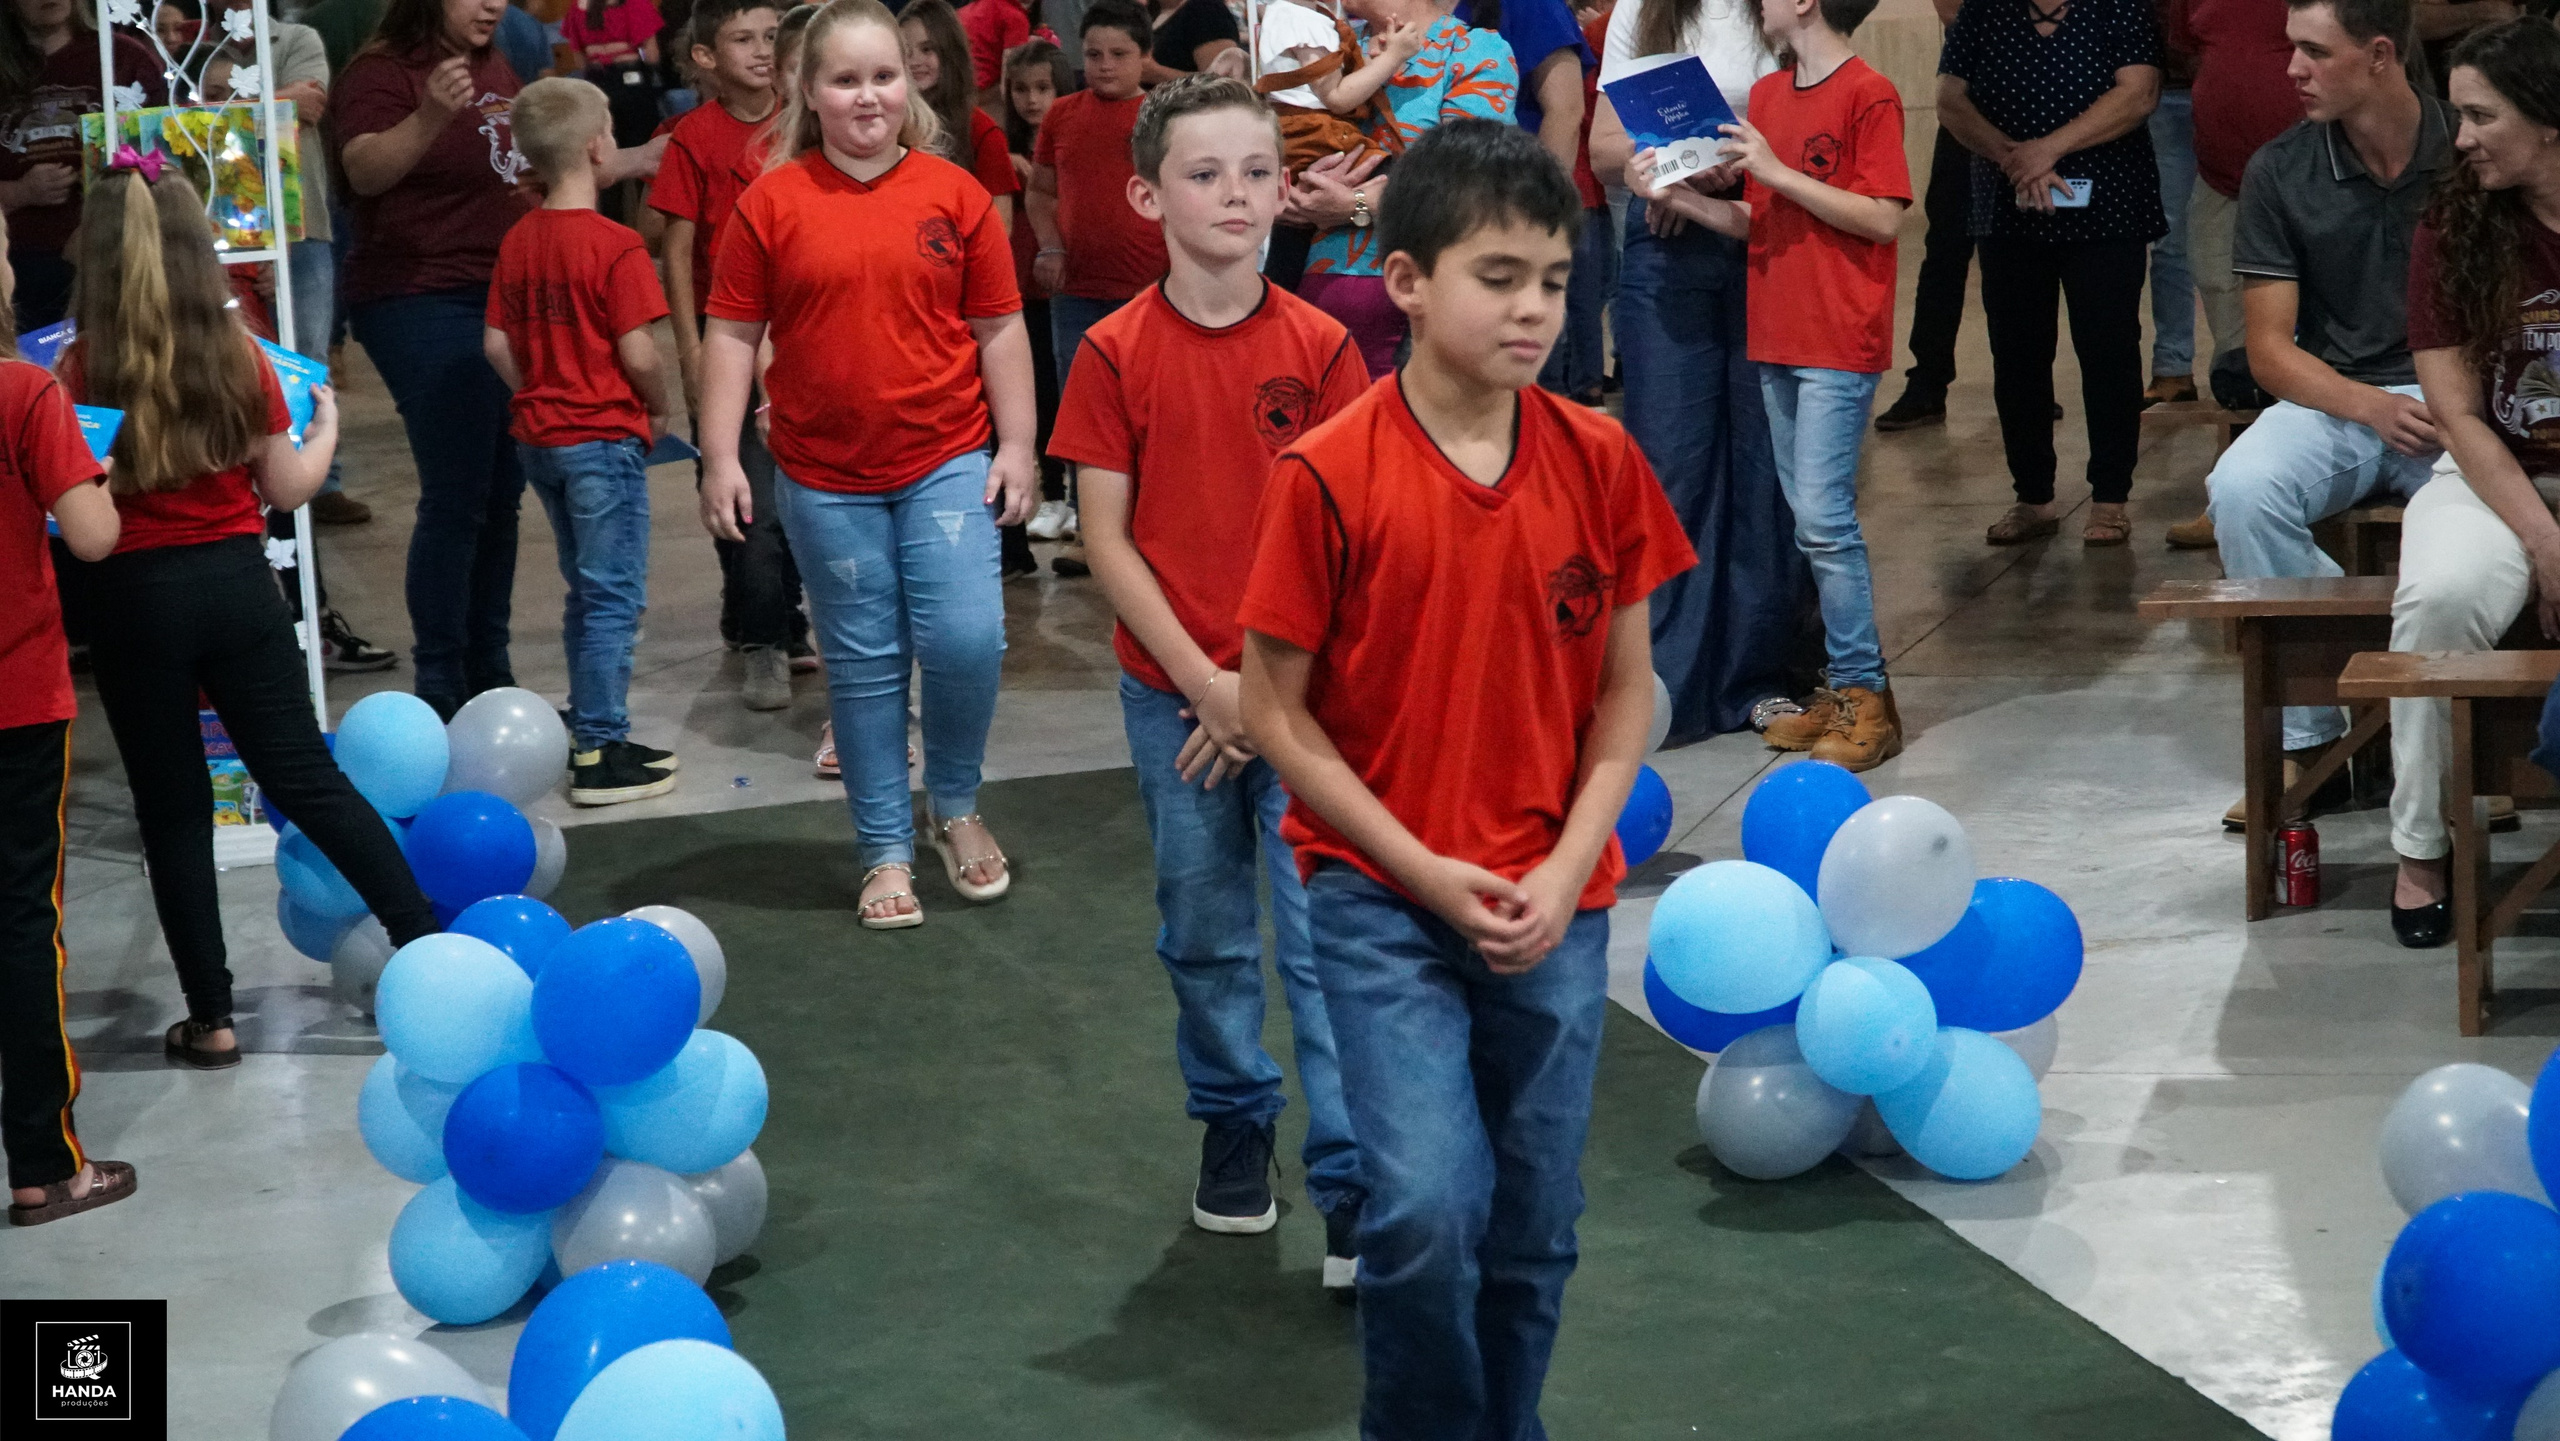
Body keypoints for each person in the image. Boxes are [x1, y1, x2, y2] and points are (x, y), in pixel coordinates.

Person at [1240, 118, 1691, 1437]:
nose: (1535, 307)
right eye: (1499, 276)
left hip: (1555, 897)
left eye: (1553, 277)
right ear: (1406, 283)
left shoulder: (1600, 462)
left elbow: (1628, 693)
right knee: (1427, 1211)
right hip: (1383, 902)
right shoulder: (1328, 475)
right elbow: (1275, 708)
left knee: (1534, 1221)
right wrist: (1425, 868)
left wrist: (1562, 873)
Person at [1052, 72, 1371, 1297]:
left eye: (1254, 172)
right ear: (1147, 194)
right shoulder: (1113, 352)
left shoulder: (1326, 347)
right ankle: (1235, 1117)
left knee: (1323, 943)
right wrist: (1203, 681)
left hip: (1301, 699)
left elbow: (1351, 539)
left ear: (1284, 190)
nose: (1233, 195)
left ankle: (1347, 1178)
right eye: (1202, 173)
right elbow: (1107, 538)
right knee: (1201, 929)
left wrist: (1260, 689)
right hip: (1170, 698)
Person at [65, 167, 439, 1070]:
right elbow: (287, 487)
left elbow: (80, 504)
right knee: (307, 777)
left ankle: (212, 1013)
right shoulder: (244, 356)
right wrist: (327, 434)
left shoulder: (79, 368)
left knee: (173, 807)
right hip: (238, 585)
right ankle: (426, 948)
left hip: (132, 597)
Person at [699, 0, 1037, 928]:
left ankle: (956, 805)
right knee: (865, 666)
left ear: (910, 82)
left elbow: (1000, 327)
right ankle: (884, 847)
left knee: (968, 638)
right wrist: (720, 454)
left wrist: (1017, 445)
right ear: (808, 90)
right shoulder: (770, 202)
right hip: (821, 477)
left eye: (883, 75)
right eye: (845, 79)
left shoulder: (955, 194)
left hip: (947, 459)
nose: (867, 96)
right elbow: (731, 334)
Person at [338, 0, 657, 719]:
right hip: (420, 295)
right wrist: (424, 116)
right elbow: (360, 172)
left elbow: (538, 169)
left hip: (508, 285)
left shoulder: (497, 63)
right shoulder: (382, 72)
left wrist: (631, 159)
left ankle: (490, 663)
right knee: (457, 491)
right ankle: (442, 679)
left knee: (502, 492)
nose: (492, 5)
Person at [2200, 0, 2451, 834]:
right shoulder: (2283, 168)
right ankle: (2319, 739)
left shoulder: (2467, 149)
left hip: (2457, 392)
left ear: (2379, 56)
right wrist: (2370, 406)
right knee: (2239, 488)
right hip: (2341, 396)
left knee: (2488, 518)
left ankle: (2458, 732)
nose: (2292, 69)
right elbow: (2270, 351)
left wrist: (2452, 401)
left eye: (2314, 51)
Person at [1644, 0, 1910, 770]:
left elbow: (1882, 218)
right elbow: (1763, 222)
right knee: (1807, 522)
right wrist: (1685, 199)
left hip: (1836, 334)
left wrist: (1776, 173)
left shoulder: (1870, 93)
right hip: (1778, 330)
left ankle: (1865, 694)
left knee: (1826, 522)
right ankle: (1844, 687)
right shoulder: (1765, 99)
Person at [2386, 18, 2560, 949]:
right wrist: (2543, 538)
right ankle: (2422, 845)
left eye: (2482, 116)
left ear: (2550, 123)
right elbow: (2456, 411)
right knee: (2441, 597)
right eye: (2457, 115)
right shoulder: (2453, 227)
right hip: (2490, 470)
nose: (2459, 139)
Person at [1589, 0, 1802, 742]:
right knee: (1668, 465)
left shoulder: (1779, 9)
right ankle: (1668, 682)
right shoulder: (1642, 15)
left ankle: (1758, 679)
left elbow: (1812, 128)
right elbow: (1604, 146)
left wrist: (1722, 176)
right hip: (1662, 242)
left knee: (1761, 465)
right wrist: (1662, 174)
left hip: (1766, 239)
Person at [486, 78, 683, 805]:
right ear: (600, 147)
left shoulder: (520, 239)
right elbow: (639, 352)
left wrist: (540, 388)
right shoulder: (616, 245)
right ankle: (600, 747)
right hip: (603, 440)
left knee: (586, 590)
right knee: (613, 599)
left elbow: (497, 343)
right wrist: (658, 408)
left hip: (542, 439)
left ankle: (588, 729)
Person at [0, 221, 132, 1226]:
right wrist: (97, 476)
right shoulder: (26, 392)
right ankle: (46, 1160)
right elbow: (91, 535)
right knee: (21, 926)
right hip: (17, 700)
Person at [1939, 0, 2165, 548]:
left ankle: (2110, 499)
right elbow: (1949, 100)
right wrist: (2013, 158)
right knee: (2016, 355)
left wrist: (2049, 149)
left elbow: (2138, 93)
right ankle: (2033, 497)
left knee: (2108, 350)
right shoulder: (1984, 12)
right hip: (2008, 206)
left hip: (2108, 208)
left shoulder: (2119, 7)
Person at [650, 0, 814, 708]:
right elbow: (676, 249)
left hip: (805, 339)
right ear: (708, 58)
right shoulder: (694, 137)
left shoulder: (806, 121)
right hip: (732, 343)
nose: (759, 50)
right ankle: (762, 641)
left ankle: (783, 615)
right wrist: (689, 348)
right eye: (741, 39)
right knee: (746, 494)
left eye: (770, 37)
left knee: (803, 492)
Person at [1296, 0, 1517, 377]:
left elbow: (1467, 182)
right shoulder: (1328, 44)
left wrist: (1354, 204)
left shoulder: (1472, 49)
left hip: (1411, 293)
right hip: (1306, 287)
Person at [1026, 2, 1163, 561]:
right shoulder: (1062, 115)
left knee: (1151, 413)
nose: (1105, 65)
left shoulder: (1161, 116)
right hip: (1078, 291)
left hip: (1151, 291)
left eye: (1119, 54)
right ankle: (1090, 530)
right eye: (1094, 55)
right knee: (1083, 413)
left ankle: (1152, 528)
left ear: (1144, 58)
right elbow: (1040, 193)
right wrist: (1051, 245)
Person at [0, 0, 166, 329]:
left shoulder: (123, 58)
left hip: (113, 255)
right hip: (14, 265)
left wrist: (105, 222)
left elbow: (167, 160)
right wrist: (18, 192)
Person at [1874, 0, 1974, 431]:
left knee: (2022, 256)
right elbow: (1953, 12)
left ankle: (2029, 384)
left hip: (2032, 103)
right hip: (1966, 106)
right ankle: (1928, 383)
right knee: (1945, 253)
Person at [1001, 35, 1073, 572]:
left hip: (1065, 279)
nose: (1032, 100)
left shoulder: (1066, 140)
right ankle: (1051, 493)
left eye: (1043, 88)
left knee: (1067, 385)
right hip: (1019, 286)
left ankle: (1074, 496)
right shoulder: (1002, 147)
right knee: (1041, 392)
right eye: (1021, 89)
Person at [901, 0, 1017, 225]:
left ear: (950, 53)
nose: (914, 61)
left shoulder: (982, 132)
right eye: (905, 52)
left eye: (927, 49)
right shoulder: (888, 125)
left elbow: (1000, 228)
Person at [1456, 0, 1592, 177]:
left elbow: (1566, 111)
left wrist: (1542, 194)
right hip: (1423, 179)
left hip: (1502, 182)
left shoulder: (1532, 5)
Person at [560, 0, 667, 147]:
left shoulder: (576, 8)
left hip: (597, 83)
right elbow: (652, 56)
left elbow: (580, 62)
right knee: (643, 141)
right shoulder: (635, 3)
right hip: (631, 81)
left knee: (607, 144)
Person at [959, 0, 1034, 105]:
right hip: (984, 98)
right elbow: (1010, 81)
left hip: (956, 95)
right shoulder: (1015, 18)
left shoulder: (965, 11)